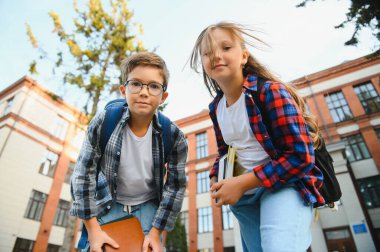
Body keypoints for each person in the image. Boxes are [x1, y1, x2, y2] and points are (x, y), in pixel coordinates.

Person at [190, 22, 325, 252]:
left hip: (284, 187)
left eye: (225, 47)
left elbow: (300, 156)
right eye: (208, 52)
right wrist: (216, 176)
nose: (217, 56)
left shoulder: (269, 92)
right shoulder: (216, 108)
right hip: (244, 200)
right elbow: (227, 152)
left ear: (244, 56)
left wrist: (242, 182)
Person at [70, 52, 188, 252]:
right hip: (107, 202)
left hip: (148, 206)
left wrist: (155, 232)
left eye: (153, 86)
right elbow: (83, 174)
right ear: (124, 90)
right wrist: (93, 228)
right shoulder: (104, 122)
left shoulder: (174, 136)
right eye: (136, 84)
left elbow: (175, 187)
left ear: (163, 96)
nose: (144, 92)